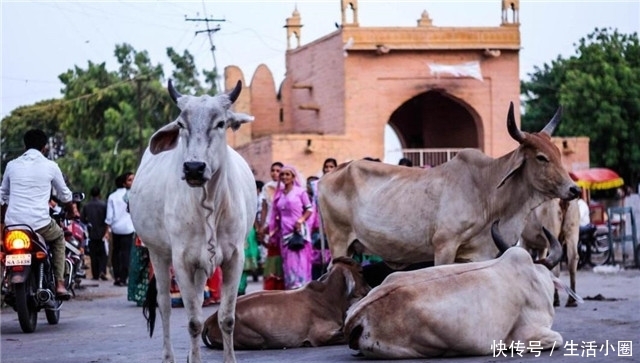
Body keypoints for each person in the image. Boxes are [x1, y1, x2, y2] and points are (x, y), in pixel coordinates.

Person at [0, 129, 79, 300]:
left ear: (24, 146)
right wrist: (73, 211)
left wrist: (3, 218)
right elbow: (65, 195)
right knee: (58, 238)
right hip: (40, 223)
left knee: (5, 249)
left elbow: (2, 196)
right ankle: (59, 284)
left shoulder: (11, 165)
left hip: (13, 224)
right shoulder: (51, 166)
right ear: (44, 148)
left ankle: (6, 281)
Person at [268, 164, 313, 290]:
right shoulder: (279, 195)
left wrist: (301, 220)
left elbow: (309, 209)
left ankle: (303, 288)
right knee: (288, 263)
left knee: (300, 261)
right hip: (284, 232)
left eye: (287, 174)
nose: (284, 177)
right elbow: (276, 213)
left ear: (293, 177)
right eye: (282, 174)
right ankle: (291, 288)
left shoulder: (300, 192)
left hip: (298, 232)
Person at [104, 172, 135, 287]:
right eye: (130, 180)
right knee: (126, 253)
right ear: (124, 183)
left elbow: (109, 217)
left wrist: (108, 229)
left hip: (116, 228)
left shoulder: (112, 196)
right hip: (129, 228)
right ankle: (123, 278)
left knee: (115, 253)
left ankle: (116, 276)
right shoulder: (133, 195)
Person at [259, 162, 285, 290]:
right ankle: (272, 283)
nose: (275, 173)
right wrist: (262, 226)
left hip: (284, 225)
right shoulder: (267, 187)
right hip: (270, 225)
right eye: (273, 170)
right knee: (271, 253)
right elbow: (264, 207)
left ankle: (283, 283)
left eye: (278, 170)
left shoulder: (287, 186)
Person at [238, 180, 264, 295]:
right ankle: (238, 289)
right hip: (235, 231)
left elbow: (253, 215)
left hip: (248, 232)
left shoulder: (250, 199)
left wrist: (258, 229)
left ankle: (240, 288)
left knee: (244, 263)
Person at [81, 185, 109, 281]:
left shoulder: (86, 206)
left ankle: (95, 274)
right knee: (103, 255)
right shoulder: (104, 205)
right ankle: (102, 271)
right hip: (102, 233)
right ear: (99, 194)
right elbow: (107, 219)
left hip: (91, 234)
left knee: (93, 256)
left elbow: (82, 220)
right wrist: (106, 232)